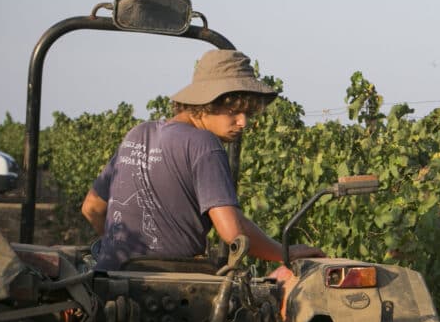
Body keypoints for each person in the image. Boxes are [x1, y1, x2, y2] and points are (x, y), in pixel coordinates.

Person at [81, 49, 322, 271]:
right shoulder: (204, 144)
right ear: (206, 103)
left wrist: (123, 255)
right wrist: (283, 252)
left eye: (247, 113)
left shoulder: (137, 133)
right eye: (234, 111)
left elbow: (91, 208)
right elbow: (233, 233)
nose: (243, 122)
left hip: (109, 278)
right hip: (170, 290)